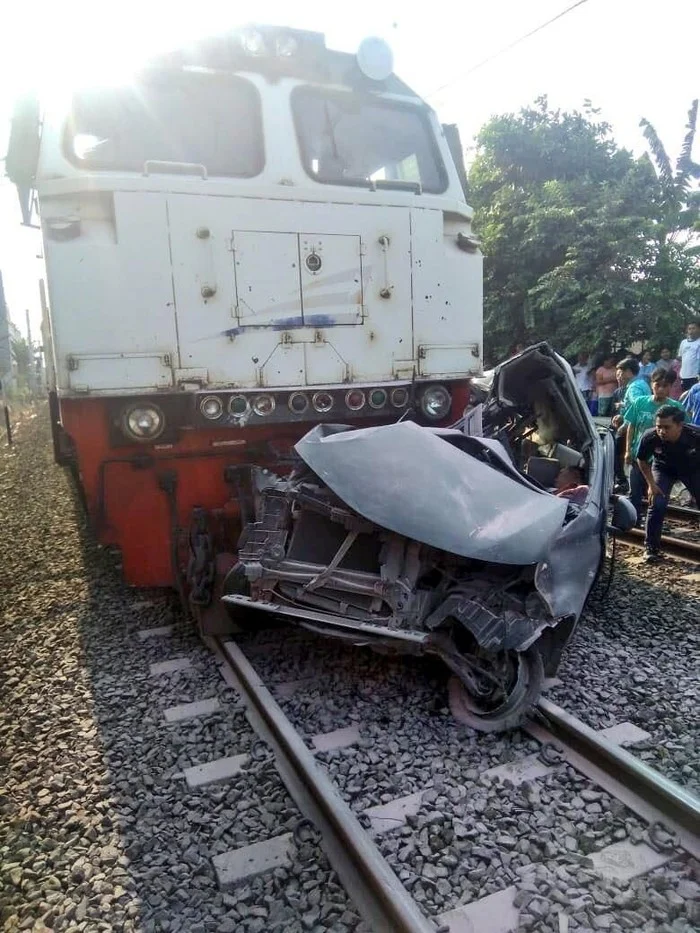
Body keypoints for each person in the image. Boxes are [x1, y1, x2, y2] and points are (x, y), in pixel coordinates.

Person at [636, 406, 700, 562]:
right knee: (657, 503)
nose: (662, 431)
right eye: (659, 427)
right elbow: (642, 460)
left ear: (680, 425)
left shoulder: (695, 435)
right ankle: (651, 547)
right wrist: (651, 484)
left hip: (692, 469)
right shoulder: (650, 437)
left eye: (667, 427)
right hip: (663, 468)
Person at [624, 369, 685, 520]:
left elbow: (683, 431)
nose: (661, 389)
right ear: (652, 385)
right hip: (639, 454)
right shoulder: (640, 403)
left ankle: (649, 521)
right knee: (635, 490)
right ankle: (634, 520)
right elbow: (631, 426)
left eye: (666, 386)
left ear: (671, 387)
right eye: (658, 385)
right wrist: (627, 449)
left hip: (661, 458)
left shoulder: (676, 408)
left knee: (654, 492)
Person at [677, 321, 700, 392]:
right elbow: (680, 357)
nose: (691, 331)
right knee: (685, 397)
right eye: (689, 329)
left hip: (696, 376)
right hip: (684, 376)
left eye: (693, 328)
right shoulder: (683, 342)